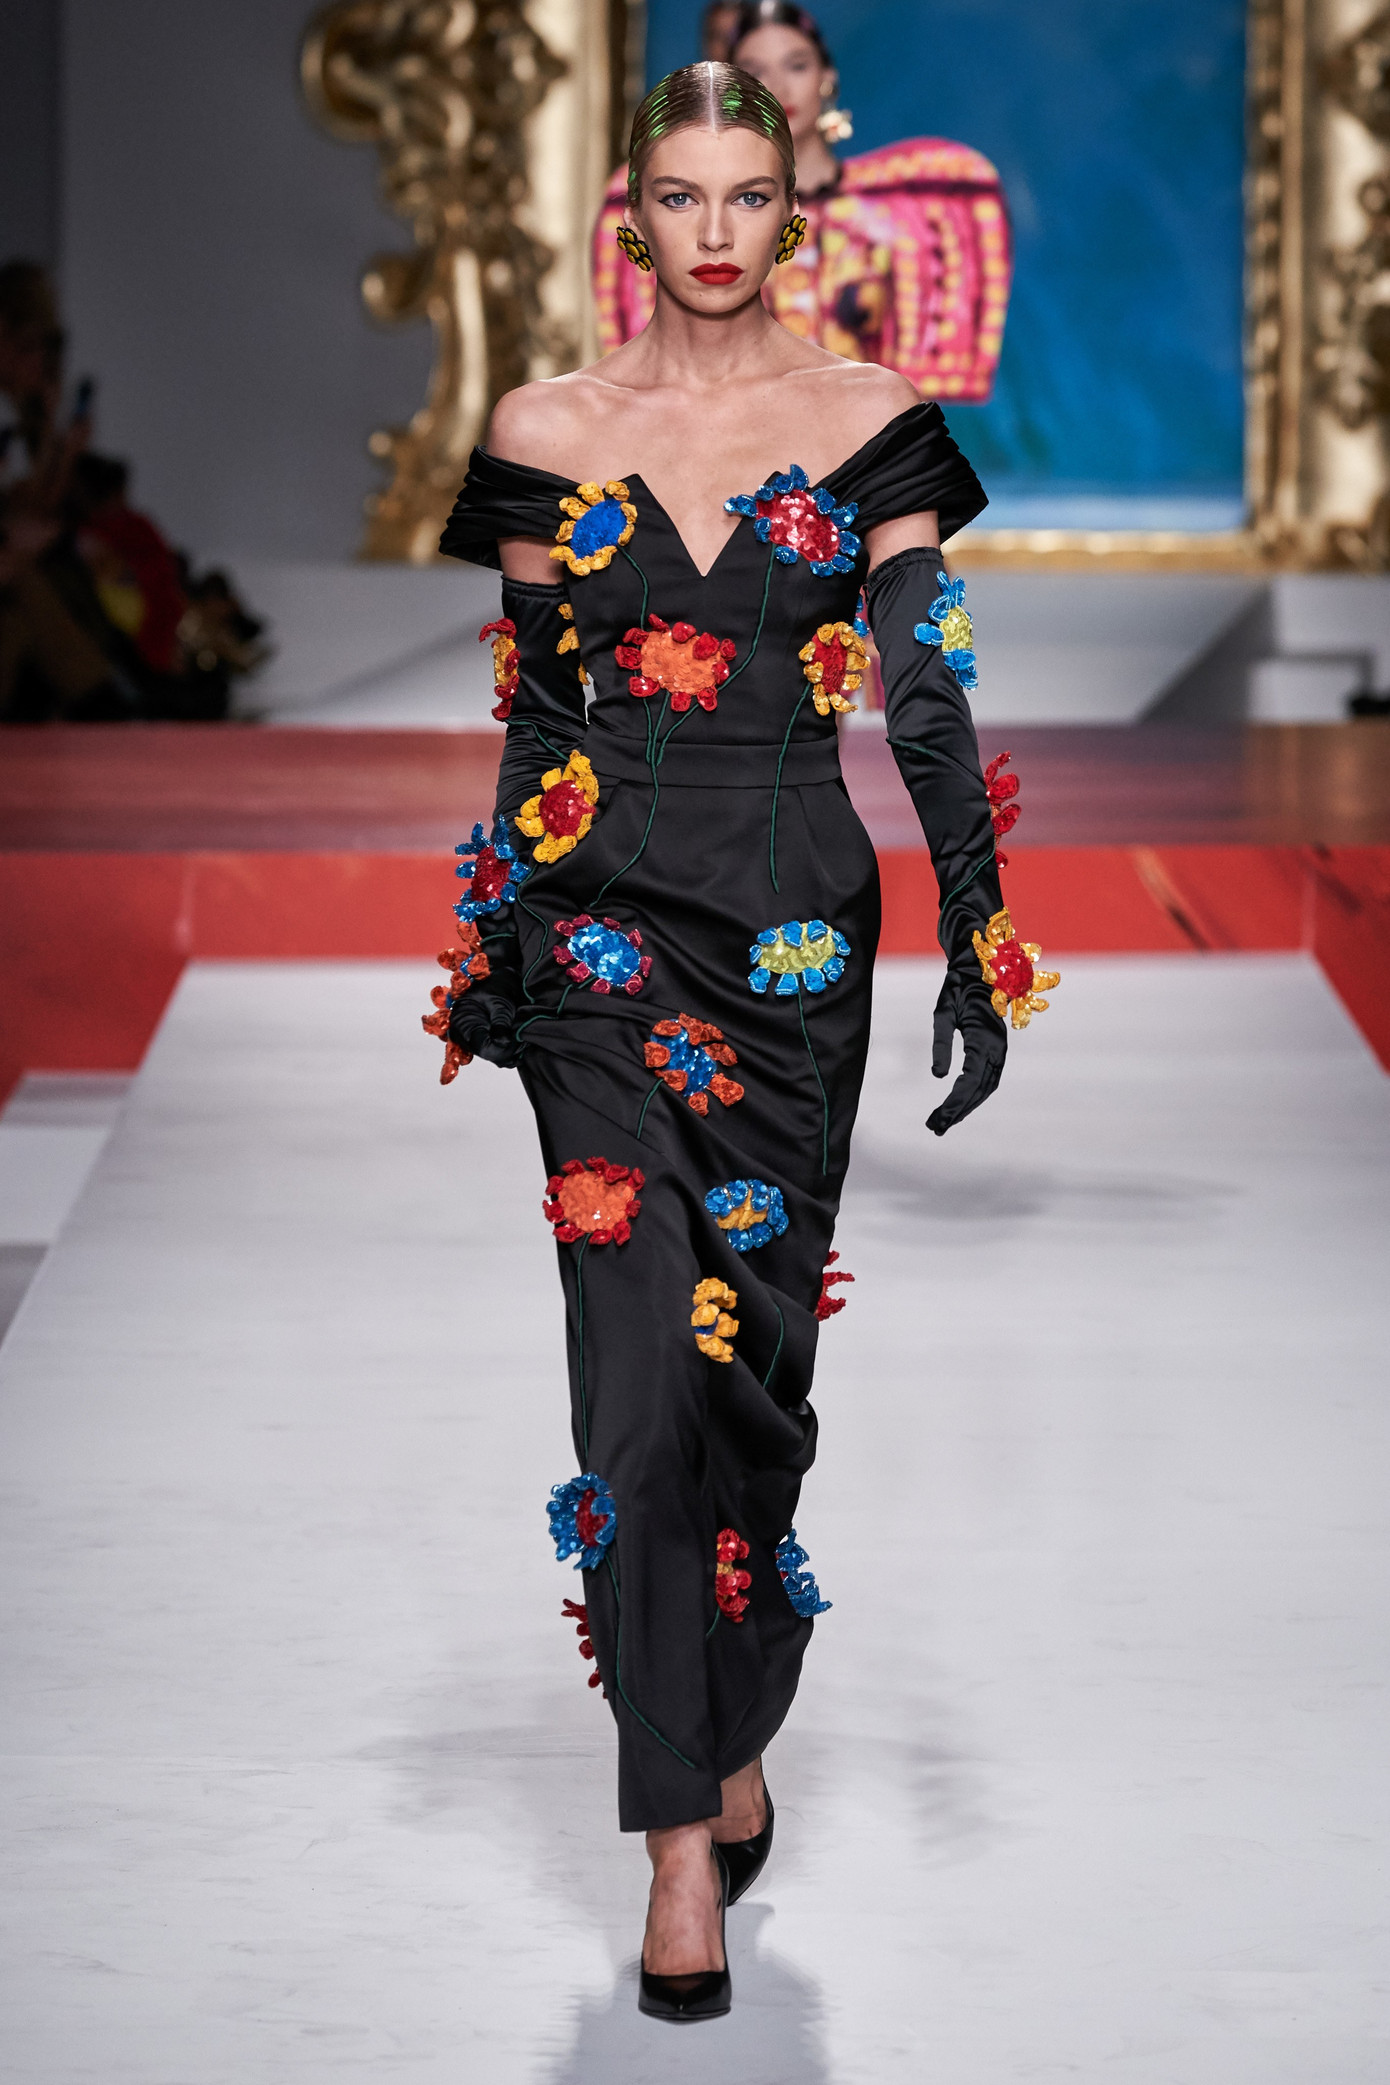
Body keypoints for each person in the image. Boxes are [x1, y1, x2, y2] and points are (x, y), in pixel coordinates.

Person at [439, 60, 1007, 2022]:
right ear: (632, 211)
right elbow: (535, 716)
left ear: (789, 213)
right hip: (595, 948)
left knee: (744, 1374)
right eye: (676, 194)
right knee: (635, 1388)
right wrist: (492, 932)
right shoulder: (543, 431)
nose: (708, 229)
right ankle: (680, 1843)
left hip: (787, 959)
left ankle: (729, 1704)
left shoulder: (864, 420)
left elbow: (925, 694)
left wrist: (980, 929)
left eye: (741, 194)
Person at [593, 3, 1012, 408]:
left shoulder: (906, 207)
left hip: (868, 438)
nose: (779, 85)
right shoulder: (678, 214)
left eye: (796, 65)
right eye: (756, 71)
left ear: (826, 78)